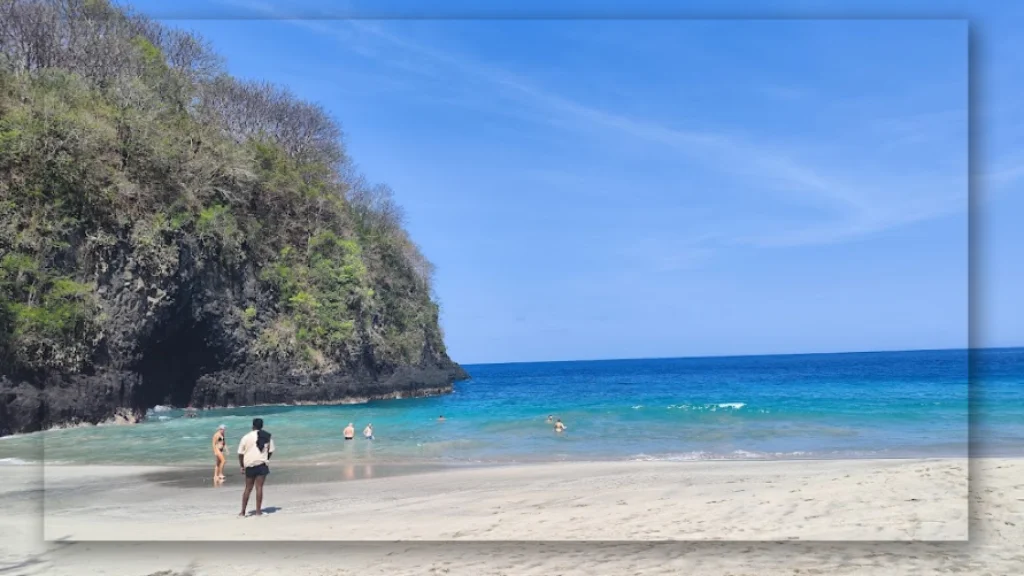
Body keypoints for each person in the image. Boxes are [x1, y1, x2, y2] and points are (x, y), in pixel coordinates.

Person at [238, 418, 274, 517]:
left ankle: (242, 512)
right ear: (262, 426)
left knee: (248, 488)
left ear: (253, 426)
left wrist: (242, 465)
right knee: (259, 488)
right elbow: (271, 451)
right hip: (261, 464)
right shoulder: (267, 436)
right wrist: (266, 458)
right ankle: (258, 512)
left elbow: (240, 453)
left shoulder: (246, 437)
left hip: (249, 464)